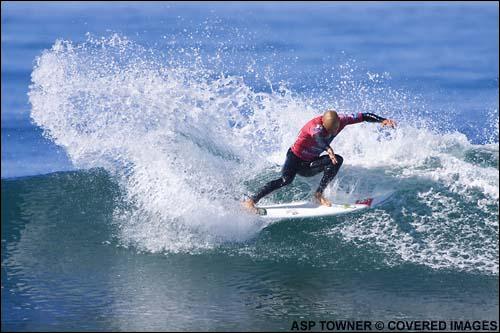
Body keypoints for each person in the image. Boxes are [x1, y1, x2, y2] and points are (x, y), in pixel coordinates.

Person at [243, 110, 396, 213]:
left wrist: (382, 120)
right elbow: (318, 138)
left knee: (337, 161)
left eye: (335, 130)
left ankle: (318, 194)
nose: (333, 133)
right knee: (286, 180)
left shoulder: (342, 120)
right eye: (330, 131)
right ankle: (251, 201)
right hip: (295, 158)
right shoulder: (314, 127)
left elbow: (363, 116)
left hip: (310, 164)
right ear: (323, 123)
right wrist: (328, 149)